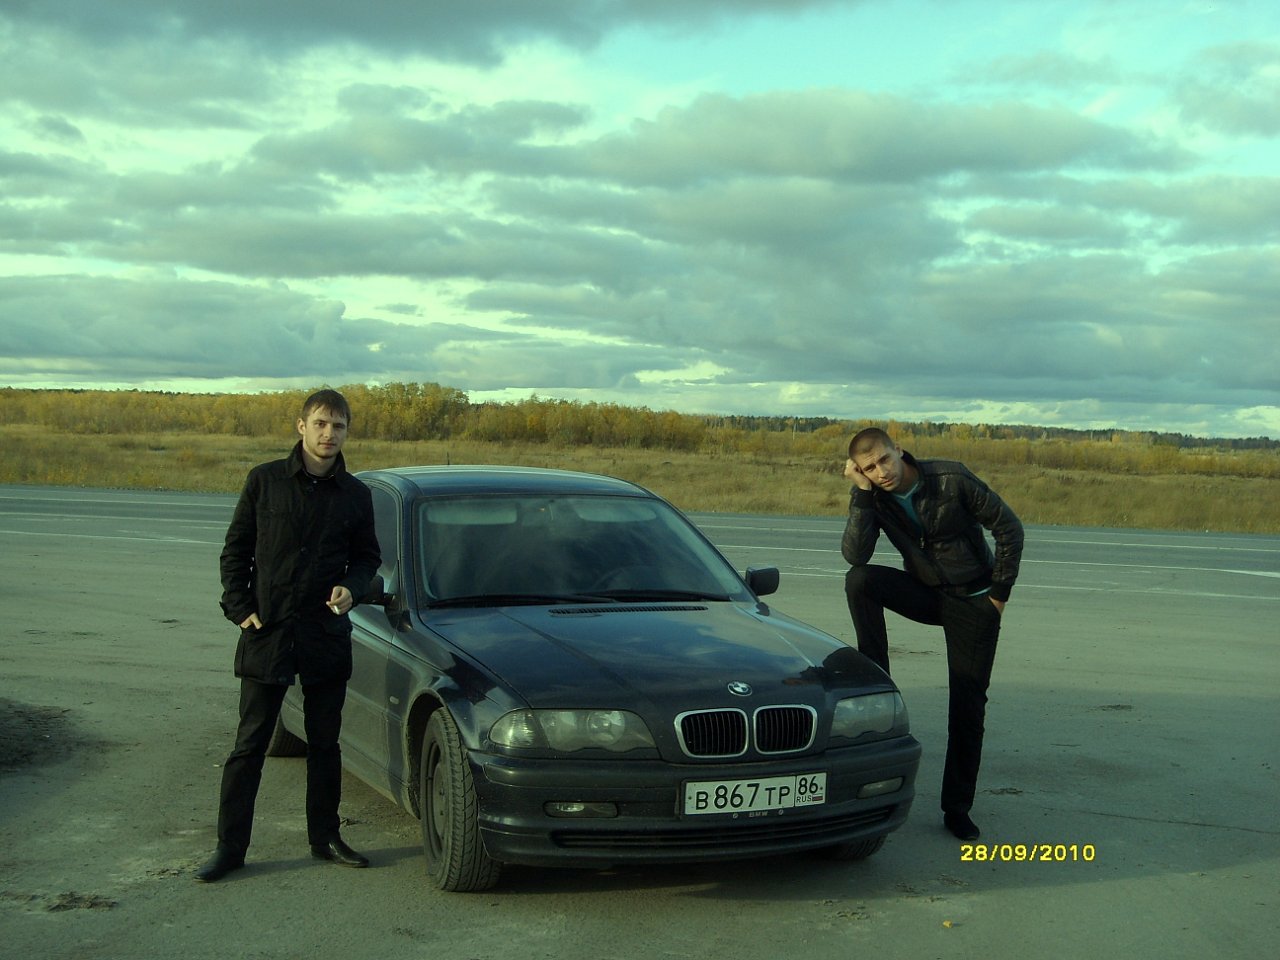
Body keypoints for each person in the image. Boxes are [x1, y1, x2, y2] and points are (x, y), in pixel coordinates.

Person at [195, 389, 381, 882]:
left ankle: (325, 838)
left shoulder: (356, 495)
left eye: (338, 426)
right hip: (269, 632)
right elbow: (236, 551)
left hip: (324, 633)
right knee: (249, 745)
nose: (328, 434)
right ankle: (230, 848)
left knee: (325, 744)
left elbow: (367, 557)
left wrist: (353, 587)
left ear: (347, 431)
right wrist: (240, 609)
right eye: (320, 423)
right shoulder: (265, 481)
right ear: (301, 426)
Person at [840, 427, 1023, 841]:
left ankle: (957, 808)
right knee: (860, 580)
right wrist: (861, 494)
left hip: (973, 601)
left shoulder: (950, 479)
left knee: (967, 706)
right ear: (860, 471)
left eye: (884, 460)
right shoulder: (875, 496)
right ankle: (876, 674)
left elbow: (1009, 529)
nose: (881, 472)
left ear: (898, 450)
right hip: (927, 594)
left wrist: (998, 596)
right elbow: (855, 554)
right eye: (869, 468)